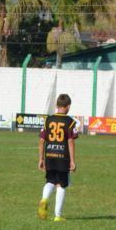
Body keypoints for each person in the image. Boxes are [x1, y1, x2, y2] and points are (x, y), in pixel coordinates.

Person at [38, 93, 79, 222]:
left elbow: (41, 140)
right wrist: (72, 161)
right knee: (61, 185)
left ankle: (44, 199)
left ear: (56, 106)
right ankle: (58, 215)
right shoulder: (70, 122)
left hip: (49, 155)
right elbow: (71, 141)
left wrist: (41, 159)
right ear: (68, 107)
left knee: (50, 181)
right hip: (62, 157)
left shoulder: (48, 120)